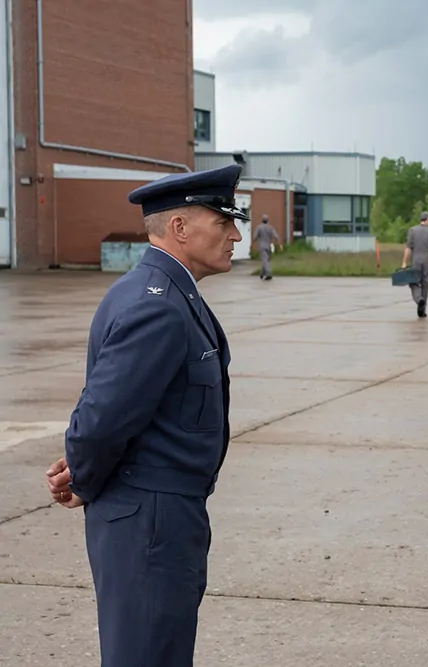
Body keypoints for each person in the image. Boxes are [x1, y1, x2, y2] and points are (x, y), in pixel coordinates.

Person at [44, 164, 246, 667]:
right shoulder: (157, 305)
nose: (236, 234)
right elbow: (101, 419)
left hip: (160, 513)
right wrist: (84, 478)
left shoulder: (168, 292)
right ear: (180, 228)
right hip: (149, 520)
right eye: (224, 224)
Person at [401, 211, 428, 317]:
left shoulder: (412, 230)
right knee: (425, 284)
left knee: (414, 283)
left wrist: (404, 262)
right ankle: (422, 309)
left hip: (416, 260)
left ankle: (418, 299)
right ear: (427, 219)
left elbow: (408, 248)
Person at [254, 213, 283, 280]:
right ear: (268, 220)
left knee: (265, 260)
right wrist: (280, 245)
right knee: (266, 260)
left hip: (262, 245)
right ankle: (262, 273)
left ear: (262, 220)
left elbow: (255, 237)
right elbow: (276, 237)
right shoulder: (271, 228)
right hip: (269, 245)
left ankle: (268, 274)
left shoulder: (259, 227)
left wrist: (252, 244)